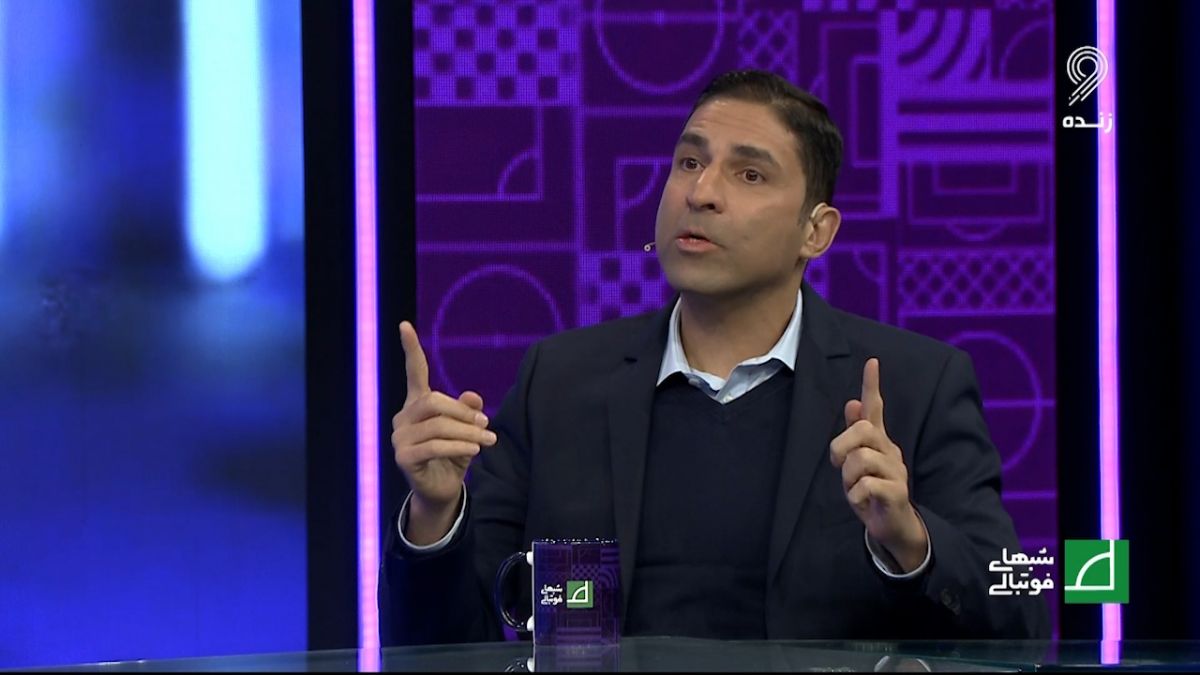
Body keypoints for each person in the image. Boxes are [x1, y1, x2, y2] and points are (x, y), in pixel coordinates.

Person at [379, 69, 1050, 644]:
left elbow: (1022, 617)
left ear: (816, 231)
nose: (700, 192)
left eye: (749, 173)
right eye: (689, 162)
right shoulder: (559, 382)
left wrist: (909, 539)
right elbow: (444, 642)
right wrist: (435, 516)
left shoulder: (917, 386)